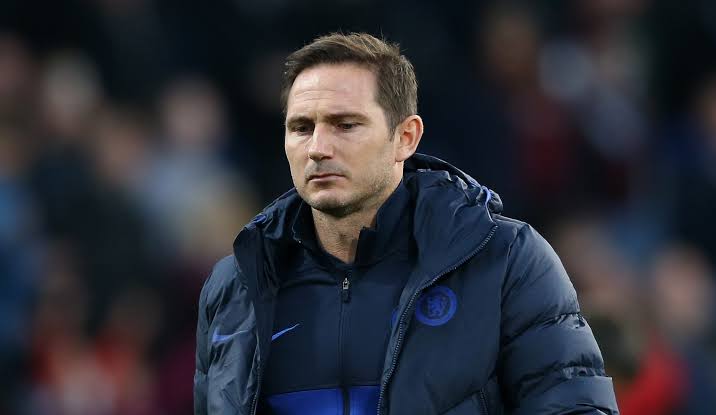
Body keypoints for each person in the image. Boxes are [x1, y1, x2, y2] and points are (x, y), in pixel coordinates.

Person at [194, 32, 619, 415]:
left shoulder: (505, 261)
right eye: (302, 128)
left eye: (345, 125)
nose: (318, 147)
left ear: (406, 138)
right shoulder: (237, 285)